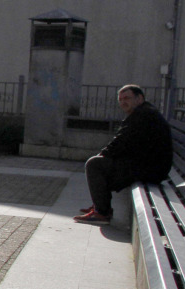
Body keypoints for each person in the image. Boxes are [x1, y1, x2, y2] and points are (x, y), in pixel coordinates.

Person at [74, 84, 173, 225]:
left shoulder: (142, 115)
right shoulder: (144, 112)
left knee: (94, 164)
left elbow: (122, 141)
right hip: (151, 167)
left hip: (151, 169)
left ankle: (102, 212)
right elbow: (126, 142)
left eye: (127, 98)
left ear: (139, 99)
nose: (123, 102)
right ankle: (100, 205)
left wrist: (103, 154)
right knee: (103, 164)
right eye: (120, 100)